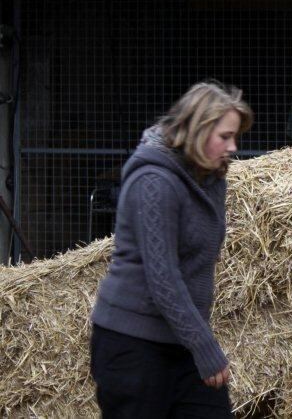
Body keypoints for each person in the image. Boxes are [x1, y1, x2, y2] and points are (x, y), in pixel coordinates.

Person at [90, 81, 253, 418]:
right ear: (198, 129)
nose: (233, 147)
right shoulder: (154, 181)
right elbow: (163, 279)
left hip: (181, 344)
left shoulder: (210, 180)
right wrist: (205, 346)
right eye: (225, 137)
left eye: (235, 137)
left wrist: (196, 340)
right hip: (132, 346)